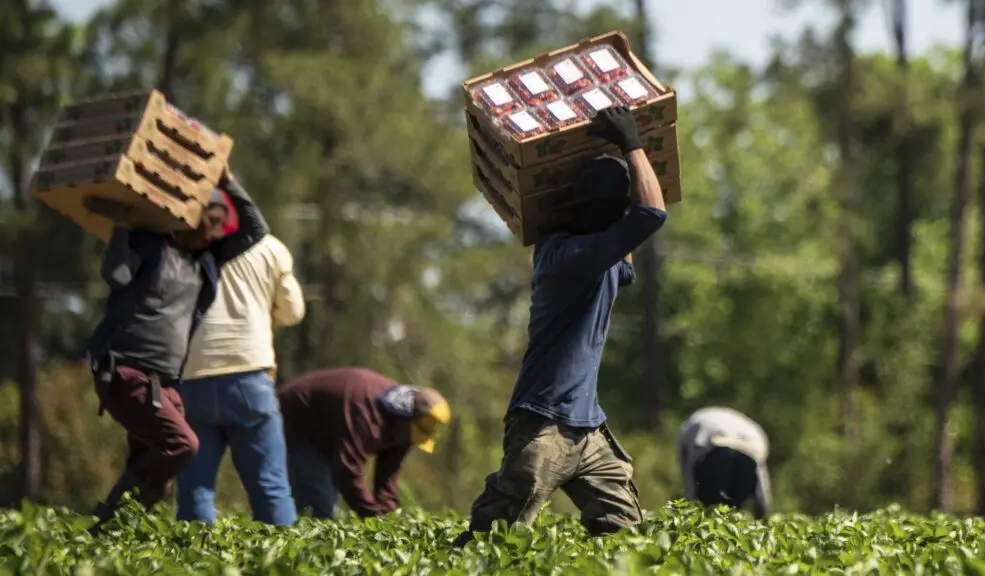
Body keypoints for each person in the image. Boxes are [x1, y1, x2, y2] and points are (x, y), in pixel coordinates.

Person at [453, 106, 668, 547]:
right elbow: (651, 216)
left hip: (587, 428)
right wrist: (631, 142)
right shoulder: (567, 257)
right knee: (494, 538)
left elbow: (632, 240)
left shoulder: (597, 255)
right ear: (608, 213)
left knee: (623, 532)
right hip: (543, 425)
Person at [84, 167, 269, 531]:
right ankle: (105, 524)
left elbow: (255, 229)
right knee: (181, 444)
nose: (217, 230)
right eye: (211, 219)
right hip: (126, 372)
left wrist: (229, 181)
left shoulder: (206, 262)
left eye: (221, 224)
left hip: (166, 383)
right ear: (189, 216)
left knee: (155, 475)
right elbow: (116, 277)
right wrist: (121, 227)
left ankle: (107, 541)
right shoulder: (152, 246)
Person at [175, 226, 306, 526]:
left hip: (193, 377)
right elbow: (293, 312)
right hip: (248, 377)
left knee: (196, 489)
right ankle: (281, 567)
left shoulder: (183, 244)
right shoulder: (269, 247)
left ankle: (194, 566)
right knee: (270, 487)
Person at [276, 366, 451, 519]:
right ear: (408, 419)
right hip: (297, 422)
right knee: (319, 508)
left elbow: (387, 476)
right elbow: (347, 470)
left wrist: (388, 518)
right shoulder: (366, 413)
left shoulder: (404, 426)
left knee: (323, 506)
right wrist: (372, 516)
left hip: (328, 435)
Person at [676, 407, 772, 519]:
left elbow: (688, 465)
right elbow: (760, 474)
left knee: (709, 509)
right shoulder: (751, 429)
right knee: (732, 511)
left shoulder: (690, 425)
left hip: (716, 451)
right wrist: (763, 510)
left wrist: (690, 498)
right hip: (746, 451)